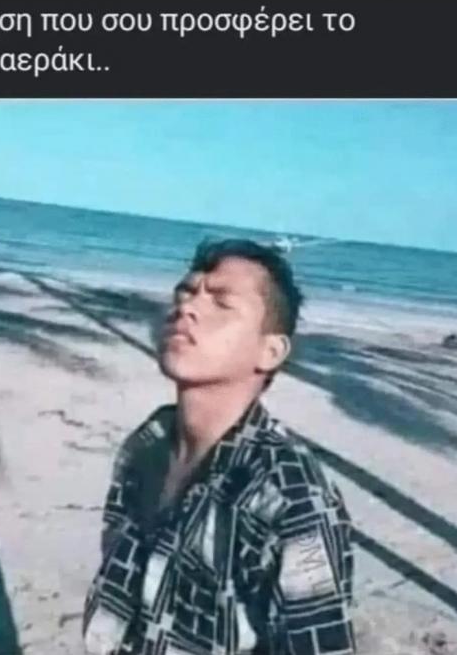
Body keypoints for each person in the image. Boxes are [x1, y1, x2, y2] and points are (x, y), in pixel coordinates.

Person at [82, 238, 355, 655]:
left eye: (222, 303)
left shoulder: (290, 495)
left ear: (270, 351)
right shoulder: (146, 445)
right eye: (185, 292)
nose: (187, 307)